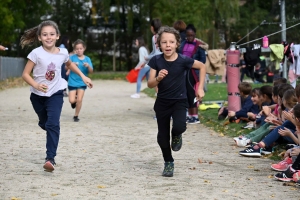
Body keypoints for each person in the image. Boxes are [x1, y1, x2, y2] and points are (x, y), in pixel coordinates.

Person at [20, 20, 93, 172]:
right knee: (45, 123)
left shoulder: (63, 53)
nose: (48, 37)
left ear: (57, 36)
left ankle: (50, 158)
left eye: (52, 34)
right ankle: (45, 124)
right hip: (37, 96)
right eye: (45, 34)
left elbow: (69, 64)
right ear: (39, 37)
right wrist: (36, 85)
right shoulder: (36, 53)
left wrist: (82, 76)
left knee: (53, 124)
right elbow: (25, 74)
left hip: (56, 93)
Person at [147, 26, 206, 177]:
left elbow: (202, 66)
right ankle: (168, 162)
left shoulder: (183, 60)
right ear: (158, 44)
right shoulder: (156, 60)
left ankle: (177, 134)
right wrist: (158, 78)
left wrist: (200, 88)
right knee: (162, 136)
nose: (168, 45)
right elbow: (150, 84)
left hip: (180, 101)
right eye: (164, 42)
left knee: (179, 126)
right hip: (162, 103)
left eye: (171, 42)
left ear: (177, 44)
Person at [178, 24, 206, 124]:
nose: (190, 37)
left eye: (192, 35)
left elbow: (203, 60)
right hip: (183, 71)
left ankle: (195, 116)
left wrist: (193, 64)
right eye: (188, 35)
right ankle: (189, 115)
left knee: (192, 93)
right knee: (184, 93)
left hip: (193, 72)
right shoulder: (182, 44)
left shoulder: (199, 46)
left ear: (195, 35)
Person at [67, 39, 93, 122]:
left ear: (84, 48)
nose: (79, 50)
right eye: (77, 49)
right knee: (71, 100)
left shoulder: (87, 59)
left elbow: (91, 71)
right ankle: (73, 102)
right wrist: (71, 65)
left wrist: (88, 66)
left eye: (80, 48)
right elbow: (65, 67)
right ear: (75, 49)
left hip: (82, 82)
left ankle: (76, 115)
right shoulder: (71, 58)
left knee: (80, 99)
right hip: (72, 81)